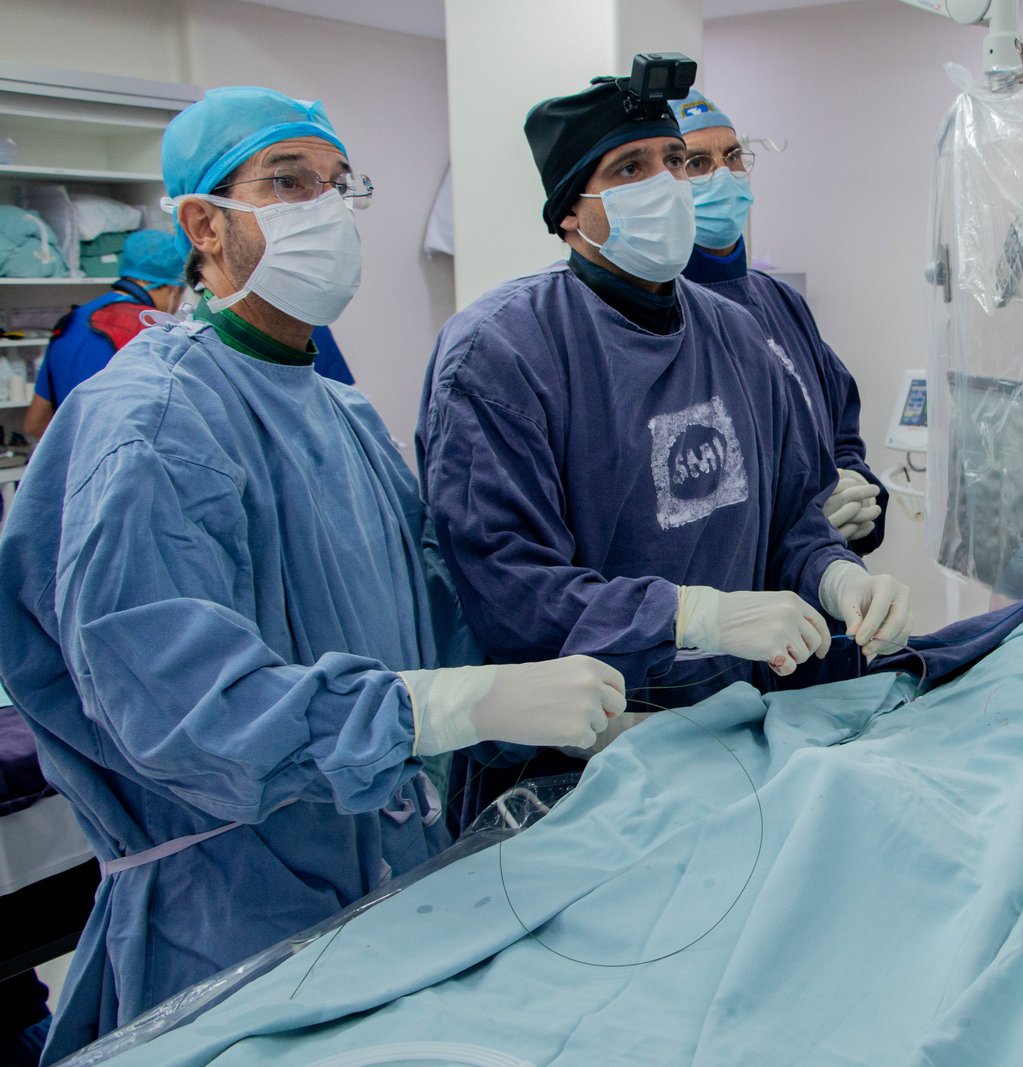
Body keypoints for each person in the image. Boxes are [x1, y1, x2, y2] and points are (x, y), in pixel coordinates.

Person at [0, 85, 627, 1063]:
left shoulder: (340, 414)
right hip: (231, 923)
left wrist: (547, 709)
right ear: (204, 224)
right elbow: (182, 712)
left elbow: (436, 621)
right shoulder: (151, 425)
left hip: (393, 885)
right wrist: (439, 708)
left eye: (339, 184)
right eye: (289, 183)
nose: (326, 209)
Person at [417, 67, 914, 830]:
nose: (669, 185)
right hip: (577, 769)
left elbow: (792, 522)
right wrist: (696, 617)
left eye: (676, 162)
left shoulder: (735, 334)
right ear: (570, 214)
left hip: (732, 738)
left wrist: (838, 577)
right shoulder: (501, 356)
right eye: (630, 169)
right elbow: (511, 594)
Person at [675, 89, 887, 557]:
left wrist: (856, 490)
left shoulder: (780, 302)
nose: (724, 175)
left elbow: (839, 425)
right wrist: (795, 528)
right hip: (738, 587)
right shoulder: (663, 318)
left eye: (733, 157)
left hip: (822, 577)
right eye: (697, 163)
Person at [23, 229, 186, 438]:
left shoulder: (70, 321)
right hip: (124, 455)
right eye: (181, 292)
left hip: (74, 456)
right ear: (171, 287)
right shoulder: (151, 328)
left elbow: (35, 424)